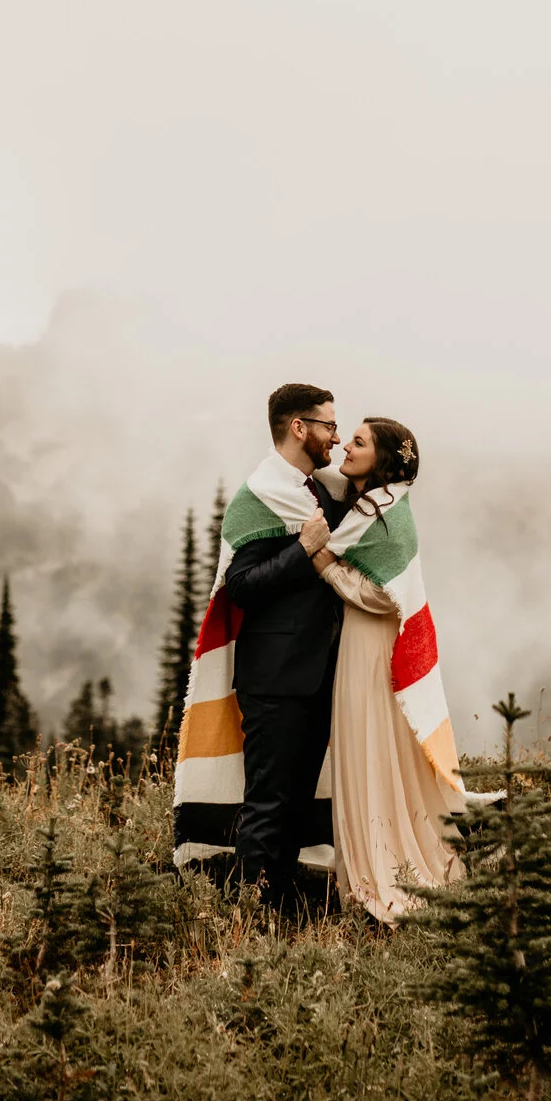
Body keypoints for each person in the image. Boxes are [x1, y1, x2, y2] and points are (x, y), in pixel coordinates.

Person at [170, 383, 349, 912]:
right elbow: (243, 585)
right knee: (268, 803)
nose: (336, 437)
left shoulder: (322, 492)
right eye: (329, 426)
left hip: (317, 675)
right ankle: (250, 914)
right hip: (273, 678)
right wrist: (304, 548)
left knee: (296, 803)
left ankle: (283, 908)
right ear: (299, 427)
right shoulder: (258, 497)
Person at [303, 417, 467, 921]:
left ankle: (379, 872)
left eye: (359, 442)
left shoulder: (382, 508)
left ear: (384, 458)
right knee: (368, 742)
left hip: (372, 645)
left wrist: (328, 568)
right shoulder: (378, 503)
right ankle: (379, 861)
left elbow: (383, 594)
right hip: (367, 641)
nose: (347, 447)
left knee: (368, 742)